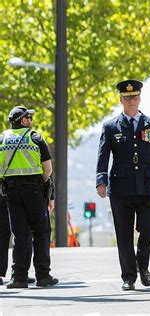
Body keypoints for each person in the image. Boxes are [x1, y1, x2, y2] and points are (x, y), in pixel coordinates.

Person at [96, 79, 150, 291]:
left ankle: (141, 263)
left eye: (134, 97)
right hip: (121, 188)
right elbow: (103, 156)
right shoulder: (110, 126)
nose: (131, 101)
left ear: (140, 98)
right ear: (121, 99)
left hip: (147, 187)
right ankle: (129, 277)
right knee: (124, 234)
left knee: (148, 228)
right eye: (127, 98)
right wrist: (101, 180)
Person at [0, 106, 57, 288]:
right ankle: (42, 276)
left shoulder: (2, 139)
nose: (31, 120)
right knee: (40, 232)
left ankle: (19, 278)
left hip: (11, 191)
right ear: (23, 120)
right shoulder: (35, 137)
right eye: (29, 117)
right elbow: (48, 169)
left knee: (19, 233)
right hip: (34, 190)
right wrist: (42, 184)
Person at [0, 195, 35, 286]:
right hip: (11, 190)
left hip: (9, 190)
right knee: (22, 232)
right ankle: (19, 273)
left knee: (10, 233)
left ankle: (19, 273)